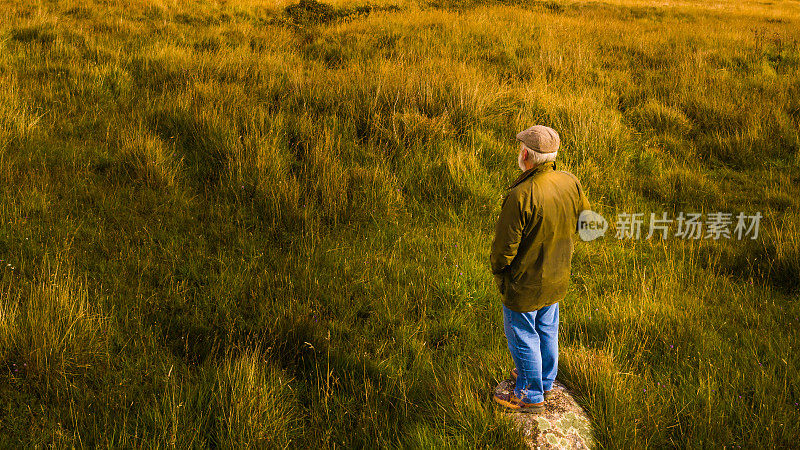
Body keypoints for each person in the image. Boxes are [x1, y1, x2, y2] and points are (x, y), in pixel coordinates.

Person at [490, 125, 590, 414]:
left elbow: (503, 250)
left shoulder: (521, 194)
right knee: (547, 329)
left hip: (524, 283)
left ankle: (530, 395)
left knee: (523, 334)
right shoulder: (570, 181)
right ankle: (544, 380)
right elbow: (585, 223)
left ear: (525, 155)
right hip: (558, 276)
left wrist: (500, 272)